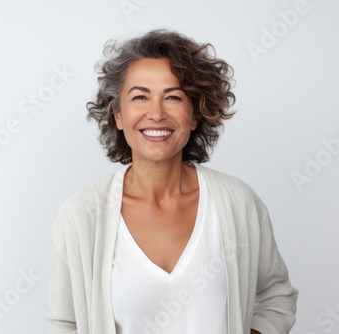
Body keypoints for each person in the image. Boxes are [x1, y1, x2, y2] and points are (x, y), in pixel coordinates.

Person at [47, 29, 297, 334]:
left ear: (194, 115)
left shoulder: (238, 203)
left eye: (174, 97)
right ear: (118, 116)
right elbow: (65, 323)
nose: (156, 113)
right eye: (140, 97)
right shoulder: (80, 215)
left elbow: (276, 296)